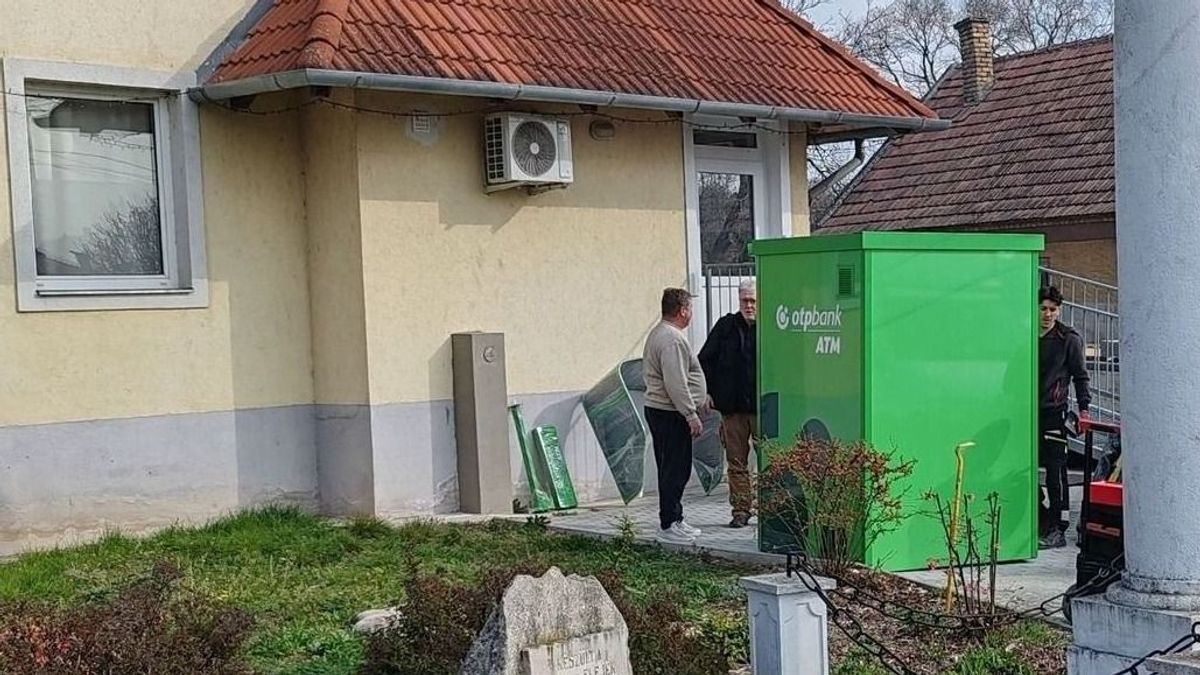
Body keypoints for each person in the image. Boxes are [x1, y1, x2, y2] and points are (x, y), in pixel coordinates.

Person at [643, 287, 709, 544]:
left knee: (672, 468)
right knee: (675, 469)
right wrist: (690, 413)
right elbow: (676, 381)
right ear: (682, 310)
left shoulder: (661, 334)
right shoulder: (671, 339)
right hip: (670, 413)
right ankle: (669, 523)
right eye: (690, 308)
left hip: (664, 411)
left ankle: (675, 518)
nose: (691, 313)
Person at [699, 278, 758, 528]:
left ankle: (771, 510)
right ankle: (741, 510)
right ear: (738, 300)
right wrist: (707, 392)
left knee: (771, 461)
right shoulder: (725, 327)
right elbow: (703, 361)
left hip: (761, 408)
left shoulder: (771, 327)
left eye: (753, 301)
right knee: (736, 463)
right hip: (732, 409)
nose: (749, 306)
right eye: (745, 300)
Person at [1038, 285, 1091, 549]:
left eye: (1052, 309)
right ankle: (1041, 518)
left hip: (1054, 414)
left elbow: (1081, 377)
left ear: (1059, 310)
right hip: (1026, 414)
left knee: (1055, 473)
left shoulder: (1069, 339)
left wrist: (1084, 410)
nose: (1047, 314)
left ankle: (1059, 527)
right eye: (1043, 309)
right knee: (1020, 469)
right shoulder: (1026, 334)